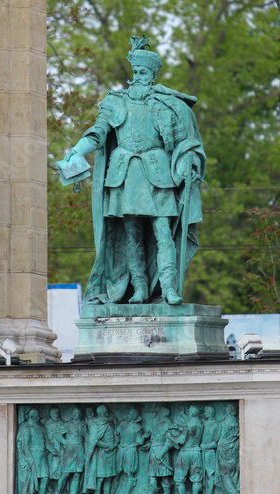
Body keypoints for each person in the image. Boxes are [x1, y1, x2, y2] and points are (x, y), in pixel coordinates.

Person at [62, 35, 206, 306]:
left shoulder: (168, 105)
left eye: (144, 72)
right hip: (123, 176)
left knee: (163, 231)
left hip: (158, 176)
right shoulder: (115, 101)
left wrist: (189, 162)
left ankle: (168, 288)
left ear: (153, 76)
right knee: (132, 234)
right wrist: (76, 151)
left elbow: (185, 144)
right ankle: (139, 289)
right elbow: (98, 133)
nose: (138, 76)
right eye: (135, 71)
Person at [144, 405, 180, 494]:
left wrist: (161, 453)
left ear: (164, 413)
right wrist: (149, 445)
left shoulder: (167, 423)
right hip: (154, 450)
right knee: (153, 474)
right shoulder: (160, 422)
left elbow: (170, 441)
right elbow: (157, 437)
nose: (158, 414)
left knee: (164, 474)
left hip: (161, 451)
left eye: (160, 412)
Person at [114, 407, 150, 494]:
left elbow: (139, 442)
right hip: (123, 450)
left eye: (131, 414)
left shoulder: (137, 427)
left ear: (135, 417)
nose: (129, 415)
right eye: (129, 414)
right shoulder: (122, 423)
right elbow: (116, 434)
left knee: (128, 474)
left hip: (129, 450)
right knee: (117, 473)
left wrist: (144, 437)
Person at [16, 408, 49, 494]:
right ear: (31, 416)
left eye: (38, 414)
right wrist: (29, 458)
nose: (38, 416)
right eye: (36, 414)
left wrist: (55, 451)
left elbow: (45, 442)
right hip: (33, 455)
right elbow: (25, 445)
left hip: (42, 456)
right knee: (33, 481)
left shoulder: (41, 428)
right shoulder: (27, 429)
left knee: (45, 478)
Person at [174, 405, 204, 494]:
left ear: (191, 413)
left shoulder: (187, 425)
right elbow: (192, 430)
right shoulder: (199, 424)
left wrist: (170, 437)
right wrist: (182, 414)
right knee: (196, 478)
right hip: (196, 451)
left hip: (186, 452)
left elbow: (181, 440)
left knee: (179, 478)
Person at [56, 407, 85, 494]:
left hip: (80, 450)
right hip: (70, 451)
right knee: (65, 474)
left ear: (80, 414)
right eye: (74, 413)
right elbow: (57, 434)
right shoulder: (67, 424)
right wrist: (66, 443)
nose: (76, 414)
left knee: (77, 474)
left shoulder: (83, 424)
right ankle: (57, 493)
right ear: (72, 414)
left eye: (78, 413)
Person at [215, 404, 239, 494]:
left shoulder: (223, 423)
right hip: (234, 449)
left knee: (224, 473)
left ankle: (231, 493)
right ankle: (236, 489)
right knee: (234, 470)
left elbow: (216, 437)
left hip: (223, 450)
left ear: (227, 411)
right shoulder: (237, 422)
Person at [44, 407, 67, 494]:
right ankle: (48, 488)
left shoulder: (62, 423)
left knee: (60, 468)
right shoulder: (47, 424)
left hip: (61, 448)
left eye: (57, 412)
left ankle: (59, 490)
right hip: (51, 449)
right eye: (54, 412)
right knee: (51, 469)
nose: (56, 414)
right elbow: (45, 437)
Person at [200, 406, 220, 494]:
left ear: (211, 413)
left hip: (210, 452)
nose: (204, 413)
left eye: (206, 411)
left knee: (210, 474)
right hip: (202, 451)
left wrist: (206, 446)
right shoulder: (205, 422)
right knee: (201, 474)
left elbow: (216, 443)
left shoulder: (215, 424)